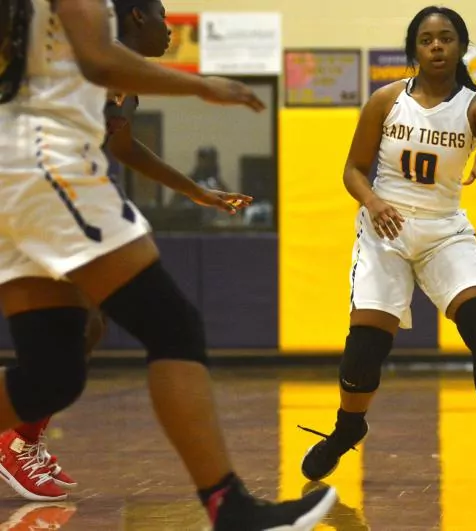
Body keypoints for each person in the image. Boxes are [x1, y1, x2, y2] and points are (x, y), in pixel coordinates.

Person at [0, 0, 336, 528]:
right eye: (159, 14)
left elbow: (122, 138)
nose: (168, 25)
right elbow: (99, 57)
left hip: (22, 170)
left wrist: (195, 190)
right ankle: (230, 506)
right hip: (45, 165)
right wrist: (202, 86)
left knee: (52, 374)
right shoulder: (94, 43)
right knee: (172, 325)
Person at [298, 5, 476, 486]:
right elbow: (353, 170)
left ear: (461, 46)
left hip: (444, 232)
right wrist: (373, 201)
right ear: (414, 48)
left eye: (446, 38)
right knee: (366, 346)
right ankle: (347, 428)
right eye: (427, 39)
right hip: (385, 229)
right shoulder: (386, 99)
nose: (437, 46)